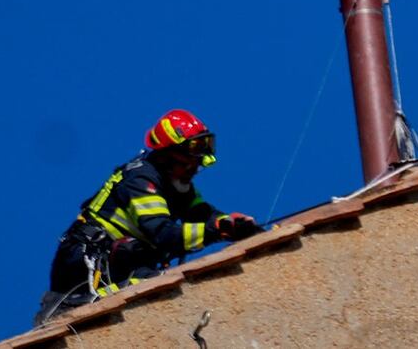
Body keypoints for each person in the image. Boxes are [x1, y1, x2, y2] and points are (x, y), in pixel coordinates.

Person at [35, 109, 258, 325]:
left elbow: (204, 215)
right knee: (150, 281)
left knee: (153, 279)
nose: (195, 167)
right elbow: (164, 234)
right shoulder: (141, 179)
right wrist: (215, 231)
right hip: (85, 261)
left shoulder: (179, 186)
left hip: (118, 261)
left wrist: (232, 224)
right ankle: (67, 307)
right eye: (190, 158)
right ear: (168, 155)